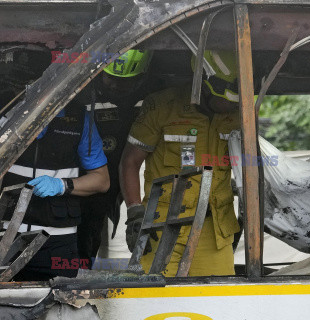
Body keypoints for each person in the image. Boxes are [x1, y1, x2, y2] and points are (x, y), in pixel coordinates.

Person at [120, 50, 240, 276]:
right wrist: (135, 212)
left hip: (214, 231)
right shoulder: (162, 106)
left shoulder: (240, 114)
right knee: (152, 300)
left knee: (219, 302)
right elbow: (130, 162)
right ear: (203, 85)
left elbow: (251, 169)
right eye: (224, 99)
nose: (230, 105)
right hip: (161, 228)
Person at [1, 101, 109, 281]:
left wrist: (61, 185)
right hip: (7, 238)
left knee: (59, 304)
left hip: (58, 242)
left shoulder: (80, 120)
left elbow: (102, 180)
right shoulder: (7, 117)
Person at [77, 49, 152, 268]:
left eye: (124, 82)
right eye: (110, 78)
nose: (115, 86)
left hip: (137, 184)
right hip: (91, 184)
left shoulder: (152, 95)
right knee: (86, 241)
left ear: (141, 77)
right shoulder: (83, 95)